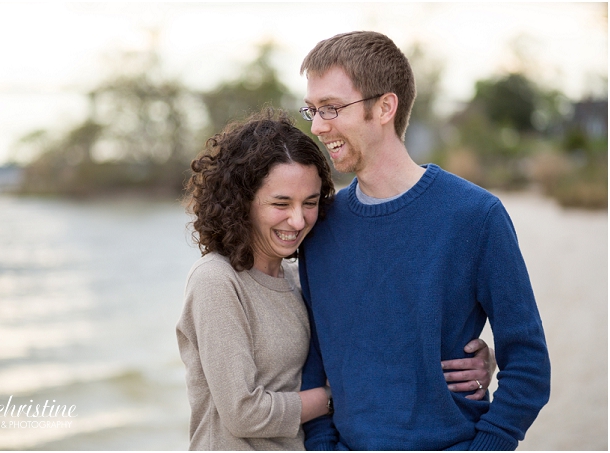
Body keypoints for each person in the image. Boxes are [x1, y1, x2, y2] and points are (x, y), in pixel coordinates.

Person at [176, 109, 495, 450]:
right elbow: (244, 413)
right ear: (242, 202)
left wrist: (466, 362)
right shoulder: (216, 280)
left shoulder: (299, 278)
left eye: (309, 203)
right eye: (281, 203)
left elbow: (374, 345)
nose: (297, 221)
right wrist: (337, 396)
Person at [297, 31, 551, 451]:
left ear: (384, 107)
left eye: (332, 108)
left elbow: (528, 364)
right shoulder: (319, 226)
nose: (318, 126)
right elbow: (313, 361)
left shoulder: (476, 216)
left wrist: (487, 445)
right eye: (312, 110)